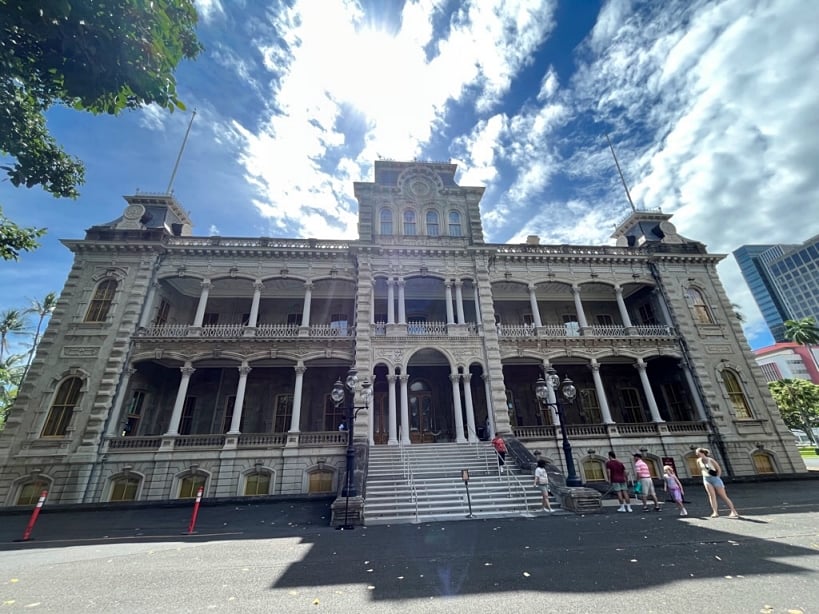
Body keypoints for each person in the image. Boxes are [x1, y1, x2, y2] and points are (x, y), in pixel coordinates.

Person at [695, 447, 739, 518]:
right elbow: (700, 469)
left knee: (723, 496)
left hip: (715, 478)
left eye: (698, 453)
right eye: (697, 454)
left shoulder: (711, 460)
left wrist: (717, 477)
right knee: (711, 495)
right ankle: (715, 512)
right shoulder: (698, 461)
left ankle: (733, 511)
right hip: (706, 479)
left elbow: (718, 469)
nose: (697, 454)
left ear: (703, 453)